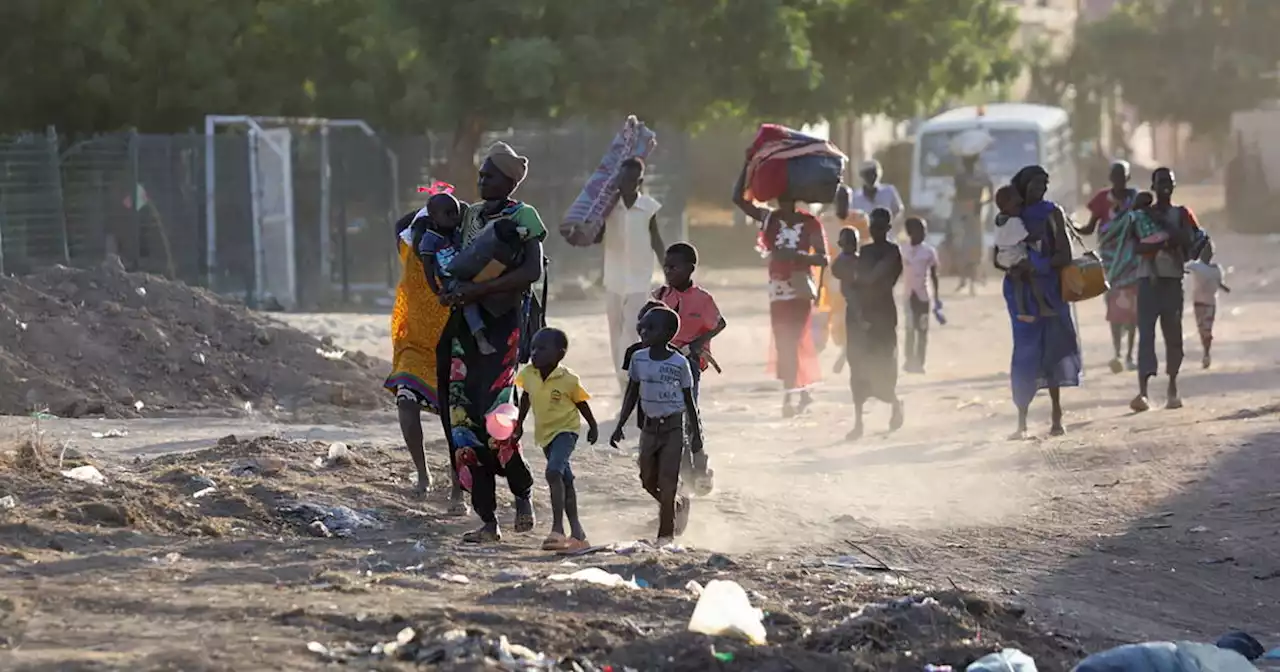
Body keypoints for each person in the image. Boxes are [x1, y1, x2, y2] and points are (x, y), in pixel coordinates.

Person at [440, 142, 547, 543]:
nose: (481, 180)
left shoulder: (524, 216)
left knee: (498, 420)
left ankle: (522, 494)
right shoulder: (468, 215)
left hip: (503, 327)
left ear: (509, 180)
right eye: (481, 174)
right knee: (462, 422)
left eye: (489, 175)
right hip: (464, 330)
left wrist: (478, 293)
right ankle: (488, 520)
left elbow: (531, 272)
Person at [384, 197, 463, 510]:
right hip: (414, 342)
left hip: (453, 342)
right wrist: (428, 208)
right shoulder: (409, 245)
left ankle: (459, 489)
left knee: (454, 419)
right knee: (406, 400)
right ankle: (423, 474)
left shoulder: (457, 254)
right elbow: (401, 224)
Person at [732, 175, 829, 418]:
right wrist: (748, 166)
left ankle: (794, 394)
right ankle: (797, 392)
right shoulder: (770, 219)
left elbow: (823, 258)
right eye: (780, 198)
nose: (783, 202)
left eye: (788, 198)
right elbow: (738, 201)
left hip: (800, 286)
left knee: (796, 338)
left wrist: (797, 256)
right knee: (784, 340)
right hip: (778, 288)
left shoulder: (809, 223)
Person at [998, 165, 1082, 439]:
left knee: (1053, 351)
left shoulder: (1052, 213)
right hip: (1021, 295)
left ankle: (1056, 416)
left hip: (1050, 291)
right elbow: (998, 257)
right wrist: (1016, 267)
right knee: (1024, 353)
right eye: (1035, 185)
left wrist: (1037, 266)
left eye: (1044, 184)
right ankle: (1021, 421)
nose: (1041, 190)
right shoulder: (1011, 214)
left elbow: (1064, 256)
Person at [610, 307, 705, 545]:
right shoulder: (638, 358)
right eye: (642, 326)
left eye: (650, 328)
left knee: (668, 481)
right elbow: (632, 393)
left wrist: (696, 436)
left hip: (674, 428)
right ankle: (674, 505)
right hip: (649, 428)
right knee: (647, 478)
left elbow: (689, 401)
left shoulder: (680, 363)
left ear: (669, 333)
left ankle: (665, 536)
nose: (643, 331)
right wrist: (620, 424)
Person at [513, 327, 599, 553]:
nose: (534, 353)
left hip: (566, 430)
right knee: (565, 479)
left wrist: (593, 425)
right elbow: (526, 397)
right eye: (533, 348)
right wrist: (519, 424)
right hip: (545, 434)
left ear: (559, 354)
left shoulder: (568, 379)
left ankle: (557, 530)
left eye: (542, 348)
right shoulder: (529, 374)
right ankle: (578, 534)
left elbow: (581, 403)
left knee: (553, 472)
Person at [651, 241, 722, 495]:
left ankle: (700, 466)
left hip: (689, 363)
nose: (668, 271)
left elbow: (719, 323)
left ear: (690, 269)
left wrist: (697, 344)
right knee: (670, 418)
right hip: (662, 361)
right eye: (665, 267)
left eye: (674, 267)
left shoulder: (702, 300)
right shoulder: (660, 296)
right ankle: (684, 471)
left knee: (689, 413)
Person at [1131, 168, 1201, 413]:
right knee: (1146, 337)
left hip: (1171, 280)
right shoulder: (1140, 215)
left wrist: (1163, 238)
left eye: (1169, 182)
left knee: (1173, 337)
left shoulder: (1181, 213)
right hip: (1147, 281)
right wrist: (1165, 242)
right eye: (1161, 182)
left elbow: (1190, 241)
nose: (1165, 187)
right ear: (1153, 185)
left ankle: (1172, 388)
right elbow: (1134, 246)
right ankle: (1143, 392)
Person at [838, 208, 904, 440]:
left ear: (887, 229)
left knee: (884, 365)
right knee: (858, 368)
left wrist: (855, 278)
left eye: (880, 227)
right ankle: (858, 422)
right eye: (873, 227)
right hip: (862, 316)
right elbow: (845, 276)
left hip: (883, 316)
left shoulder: (892, 252)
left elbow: (871, 277)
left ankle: (895, 403)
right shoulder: (863, 252)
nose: (876, 231)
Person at [603, 157, 665, 393]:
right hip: (614, 278)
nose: (626, 184)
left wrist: (667, 268)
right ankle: (622, 381)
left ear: (639, 181)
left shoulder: (648, 207)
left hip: (640, 278)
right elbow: (596, 236)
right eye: (622, 179)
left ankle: (631, 376)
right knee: (615, 330)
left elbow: (656, 239)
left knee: (633, 328)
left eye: (631, 180)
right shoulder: (609, 208)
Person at [417, 192, 500, 355]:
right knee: (468, 301)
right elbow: (427, 266)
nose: (454, 217)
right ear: (433, 216)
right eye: (448, 214)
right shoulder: (429, 239)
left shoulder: (457, 232)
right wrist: (436, 289)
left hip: (466, 273)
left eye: (456, 213)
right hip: (451, 281)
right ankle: (480, 337)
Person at [1079, 161, 1140, 373]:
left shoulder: (1136, 199)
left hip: (1132, 260)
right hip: (1110, 262)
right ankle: (1117, 353)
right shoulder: (1101, 199)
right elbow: (1089, 228)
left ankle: (1131, 354)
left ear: (1128, 178)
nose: (1119, 181)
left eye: (1122, 177)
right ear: (1110, 178)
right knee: (1114, 308)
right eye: (1115, 177)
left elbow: (1143, 225)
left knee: (1133, 311)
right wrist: (1069, 226)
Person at [993, 185, 1055, 322]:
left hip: (1003, 256)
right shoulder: (1014, 221)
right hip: (1015, 256)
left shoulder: (998, 220)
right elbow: (1027, 236)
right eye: (1017, 205)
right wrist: (1043, 232)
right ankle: (1042, 306)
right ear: (1007, 205)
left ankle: (1022, 310)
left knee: (1019, 281)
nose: (1019, 208)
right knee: (1033, 277)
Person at [901, 216, 941, 373]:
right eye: (920, 230)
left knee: (922, 330)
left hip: (923, 297)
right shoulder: (903, 250)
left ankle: (920, 362)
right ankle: (909, 361)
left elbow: (934, 275)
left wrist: (936, 297)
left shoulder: (929, 252)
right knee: (910, 329)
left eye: (925, 230)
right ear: (911, 232)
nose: (924, 233)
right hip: (908, 296)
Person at [950, 153, 993, 295]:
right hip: (968, 211)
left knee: (971, 245)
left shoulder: (966, 176)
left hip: (970, 211)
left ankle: (973, 278)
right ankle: (967, 279)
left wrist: (981, 203)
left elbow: (990, 194)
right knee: (967, 245)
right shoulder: (975, 177)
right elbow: (990, 194)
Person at [1186, 240, 1229, 370]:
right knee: (1204, 329)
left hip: (1205, 302)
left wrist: (1223, 287)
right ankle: (1206, 353)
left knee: (1205, 329)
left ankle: (1206, 353)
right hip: (1204, 302)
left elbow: (1218, 283)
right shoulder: (1202, 267)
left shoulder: (1209, 268)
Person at [849, 160, 905, 227]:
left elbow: (898, 212)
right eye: (867, 174)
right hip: (865, 235)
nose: (871, 177)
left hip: (886, 235)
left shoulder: (889, 191)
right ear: (862, 176)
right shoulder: (855, 197)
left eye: (873, 173)